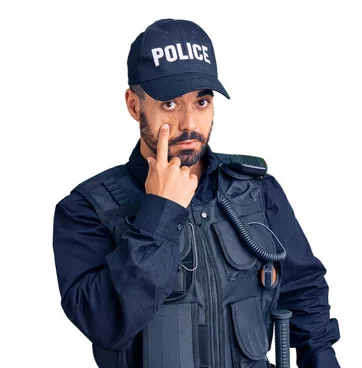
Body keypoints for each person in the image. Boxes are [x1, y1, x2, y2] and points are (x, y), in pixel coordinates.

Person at [52, 18, 340, 368]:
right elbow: (105, 323)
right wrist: (160, 212)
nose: (189, 123)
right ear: (134, 105)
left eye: (201, 102)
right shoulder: (86, 210)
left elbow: (304, 291)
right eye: (170, 104)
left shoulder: (255, 190)